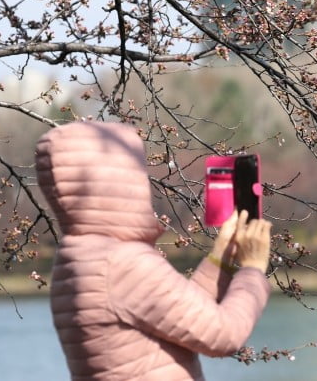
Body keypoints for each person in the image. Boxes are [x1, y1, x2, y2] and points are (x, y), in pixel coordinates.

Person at [35, 121, 272, 380]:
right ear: (121, 178)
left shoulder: (78, 257)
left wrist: (221, 260)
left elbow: (182, 318)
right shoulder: (123, 262)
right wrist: (252, 269)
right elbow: (224, 335)